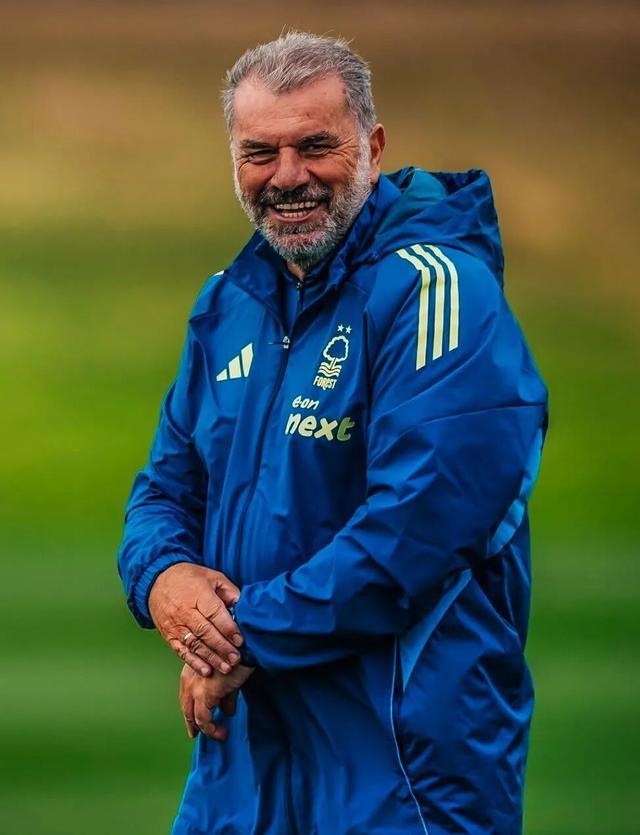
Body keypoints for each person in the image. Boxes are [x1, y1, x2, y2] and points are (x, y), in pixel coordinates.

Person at [118, 31, 548, 835]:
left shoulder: (438, 291)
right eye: (260, 152)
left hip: (401, 777)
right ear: (233, 161)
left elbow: (415, 534)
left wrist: (239, 636)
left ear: (373, 148)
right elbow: (164, 490)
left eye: (316, 146)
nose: (288, 176)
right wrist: (162, 579)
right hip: (240, 778)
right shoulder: (228, 302)